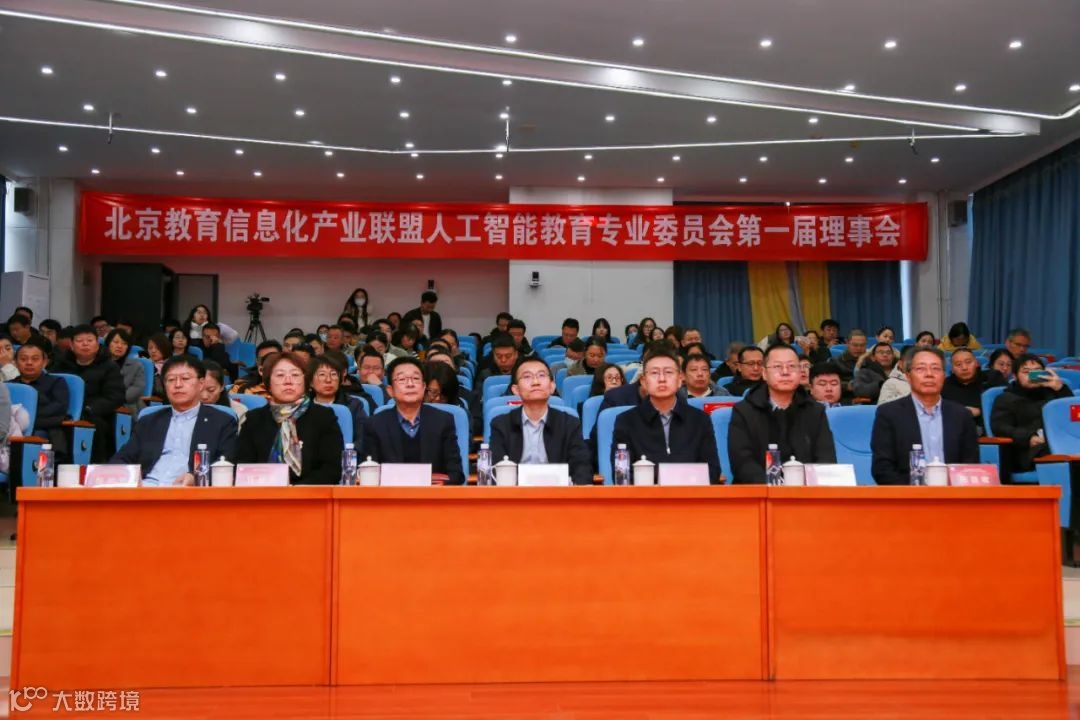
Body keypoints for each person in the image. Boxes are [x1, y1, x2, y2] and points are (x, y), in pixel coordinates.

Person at [109, 356, 238, 486]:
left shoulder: (222, 421)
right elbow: (122, 458)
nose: (177, 385)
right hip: (145, 489)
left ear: (201, 384)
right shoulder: (149, 421)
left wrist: (195, 477)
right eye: (171, 380)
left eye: (185, 378)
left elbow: (226, 463)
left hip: (189, 491)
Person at [870, 346, 979, 485]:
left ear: (944, 376)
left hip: (953, 494)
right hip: (907, 494)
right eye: (921, 369)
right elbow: (882, 469)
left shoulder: (961, 415)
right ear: (908, 376)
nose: (929, 374)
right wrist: (917, 492)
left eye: (936, 369)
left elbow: (970, 466)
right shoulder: (889, 414)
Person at [729, 344, 836, 484]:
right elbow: (742, 463)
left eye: (792, 366)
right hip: (759, 491)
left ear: (800, 373)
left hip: (807, 492)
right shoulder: (744, 411)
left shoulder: (815, 411)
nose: (785, 372)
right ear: (764, 373)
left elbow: (826, 459)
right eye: (777, 366)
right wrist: (774, 488)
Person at [612, 347, 721, 483]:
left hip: (691, 494)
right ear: (644, 381)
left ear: (680, 379)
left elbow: (712, 471)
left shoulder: (700, 420)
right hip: (644, 495)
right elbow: (622, 475)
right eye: (654, 373)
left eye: (668, 372)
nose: (662, 379)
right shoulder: (626, 421)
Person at [235, 351, 344, 484]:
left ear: (305, 381)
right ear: (268, 383)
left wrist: (296, 490)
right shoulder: (254, 420)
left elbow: (332, 469)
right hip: (263, 492)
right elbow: (243, 466)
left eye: (295, 375)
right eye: (280, 375)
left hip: (310, 493)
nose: (288, 381)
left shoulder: (324, 417)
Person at [489, 356, 592, 485]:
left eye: (541, 375)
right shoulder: (501, 424)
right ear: (516, 390)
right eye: (527, 377)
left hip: (559, 494)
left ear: (552, 386)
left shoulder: (569, 423)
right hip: (515, 494)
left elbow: (582, 466)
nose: (535, 382)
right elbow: (496, 468)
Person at [362, 357, 464, 485]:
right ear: (390, 391)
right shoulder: (375, 424)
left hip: (433, 494)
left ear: (424, 387)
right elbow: (370, 475)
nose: (410, 384)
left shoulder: (443, 421)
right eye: (402, 379)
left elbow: (456, 473)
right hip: (390, 495)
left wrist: (439, 485)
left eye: (415, 379)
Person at [52, 324, 125, 461]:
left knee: (95, 426)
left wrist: (89, 409)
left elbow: (115, 396)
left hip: (96, 414)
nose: (85, 344)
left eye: (90, 340)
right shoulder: (61, 365)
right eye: (80, 341)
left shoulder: (109, 366)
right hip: (63, 413)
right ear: (71, 345)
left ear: (97, 344)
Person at [990, 354, 1074, 474]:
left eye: (1037, 371)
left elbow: (1072, 418)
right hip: (1026, 451)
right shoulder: (1006, 398)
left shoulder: (1052, 393)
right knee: (1059, 452)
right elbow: (1000, 427)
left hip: (1057, 444)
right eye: (1026, 372)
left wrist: (1060, 388)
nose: (1032, 375)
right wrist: (1028, 437)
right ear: (1015, 376)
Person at [10, 340, 70, 453]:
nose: (29, 363)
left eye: (35, 359)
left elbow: (59, 407)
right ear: (15, 363)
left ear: (44, 362)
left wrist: (25, 418)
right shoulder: (9, 386)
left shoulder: (56, 382)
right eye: (23, 359)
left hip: (42, 428)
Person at [308, 355, 366, 449]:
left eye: (333, 374)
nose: (328, 380)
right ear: (310, 382)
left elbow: (363, 439)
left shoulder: (353, 405)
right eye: (322, 374)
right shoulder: (303, 407)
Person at [941, 348, 1004, 433]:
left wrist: (980, 411)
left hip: (992, 430)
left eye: (968, 362)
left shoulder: (993, 378)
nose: (964, 368)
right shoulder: (944, 386)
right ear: (952, 369)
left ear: (977, 363)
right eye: (958, 364)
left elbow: (1007, 405)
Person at [105, 328, 146, 415]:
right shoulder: (99, 363)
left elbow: (137, 388)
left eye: (124, 343)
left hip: (126, 405)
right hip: (102, 404)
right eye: (116, 342)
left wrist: (115, 399)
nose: (120, 346)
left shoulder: (136, 365)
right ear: (108, 343)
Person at [201, 360, 248, 426]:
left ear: (222, 386)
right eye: (199, 390)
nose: (204, 396)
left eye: (211, 390)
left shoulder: (239, 411)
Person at [833, 329, 868, 396]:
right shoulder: (836, 362)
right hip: (846, 396)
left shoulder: (871, 360)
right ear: (847, 343)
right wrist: (847, 386)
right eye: (855, 345)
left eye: (862, 345)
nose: (859, 348)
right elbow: (831, 383)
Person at [144, 333, 172, 397]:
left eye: (157, 348)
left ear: (165, 348)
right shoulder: (144, 363)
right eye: (150, 348)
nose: (153, 351)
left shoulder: (171, 366)